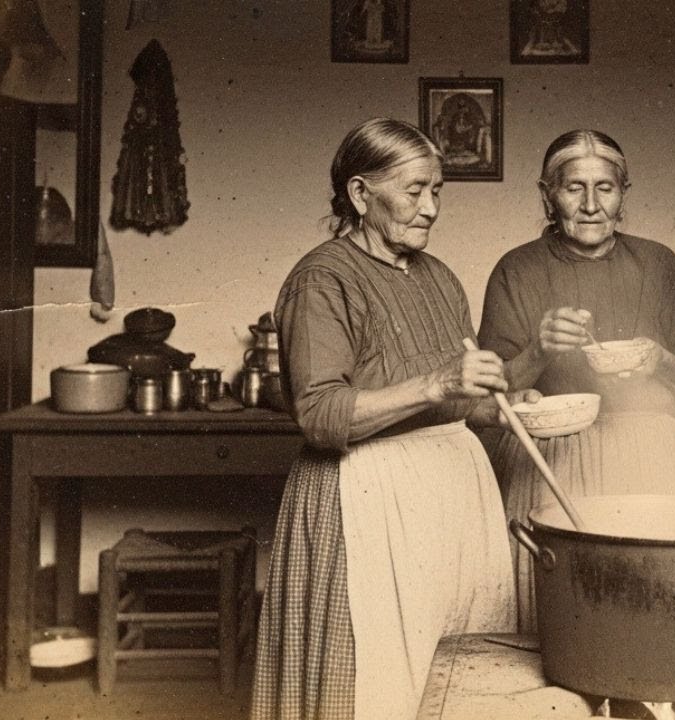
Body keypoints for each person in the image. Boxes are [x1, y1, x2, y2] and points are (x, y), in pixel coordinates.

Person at [252, 118, 521, 720]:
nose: (431, 208)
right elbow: (320, 414)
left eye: (438, 191)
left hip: (452, 498)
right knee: (378, 679)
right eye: (415, 190)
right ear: (359, 194)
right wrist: (439, 383)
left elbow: (453, 403)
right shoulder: (323, 279)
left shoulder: (439, 277)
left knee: (456, 663)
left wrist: (501, 409)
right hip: (366, 497)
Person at [478, 129, 675, 632]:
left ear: (623, 194)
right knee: (555, 615)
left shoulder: (658, 264)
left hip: (653, 455)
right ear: (548, 195)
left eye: (605, 188)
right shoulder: (516, 270)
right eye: (573, 188)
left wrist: (661, 361)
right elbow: (489, 394)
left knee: (658, 612)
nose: (591, 205)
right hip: (550, 457)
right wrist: (538, 349)